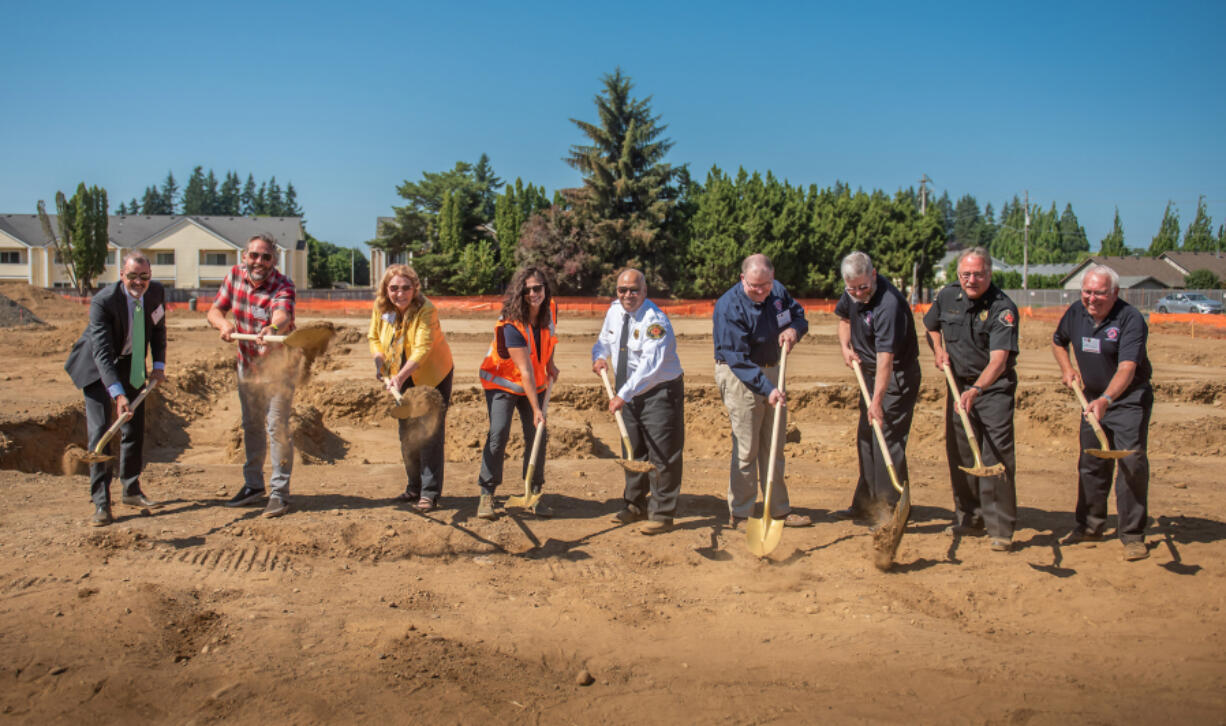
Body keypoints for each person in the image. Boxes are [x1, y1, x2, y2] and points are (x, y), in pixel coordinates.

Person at [1051, 264, 1153, 561]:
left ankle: (1132, 534)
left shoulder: (1130, 319)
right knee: (1091, 463)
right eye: (1086, 292)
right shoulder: (1075, 312)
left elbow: (1127, 367)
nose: (1091, 299)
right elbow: (1059, 342)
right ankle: (1090, 525)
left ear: (1115, 293)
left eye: (1098, 293)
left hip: (1128, 399)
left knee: (1131, 463)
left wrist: (1108, 398)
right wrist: (1067, 368)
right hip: (1091, 398)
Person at [923, 248, 1019, 552]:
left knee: (995, 456)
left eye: (978, 274)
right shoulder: (947, 296)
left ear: (989, 273)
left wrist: (976, 390)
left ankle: (1000, 527)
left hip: (992, 390)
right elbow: (930, 327)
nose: (971, 279)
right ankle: (970, 518)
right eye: (966, 274)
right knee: (962, 453)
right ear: (958, 275)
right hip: (957, 385)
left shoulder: (1002, 308)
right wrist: (938, 350)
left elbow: (999, 361)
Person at [65, 251, 167, 526]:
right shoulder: (104, 301)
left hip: (130, 363)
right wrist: (118, 393)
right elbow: (101, 352)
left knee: (133, 427)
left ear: (150, 277)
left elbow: (158, 331)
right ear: (122, 275)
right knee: (100, 431)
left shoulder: (156, 293)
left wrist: (158, 365)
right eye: (132, 276)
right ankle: (101, 503)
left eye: (143, 276)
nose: (138, 282)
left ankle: (131, 490)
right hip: (97, 366)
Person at [713, 254, 812, 529]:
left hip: (773, 369)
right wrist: (768, 389)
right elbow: (738, 359)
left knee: (775, 443)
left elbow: (799, 317)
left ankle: (778, 509)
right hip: (739, 374)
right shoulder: (729, 307)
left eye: (765, 286)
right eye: (754, 286)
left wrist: (793, 330)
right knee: (747, 447)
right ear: (742, 278)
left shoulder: (777, 291)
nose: (760, 291)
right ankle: (741, 513)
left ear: (772, 278)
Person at [207, 233, 297, 518]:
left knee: (277, 428)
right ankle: (253, 486)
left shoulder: (283, 285)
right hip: (247, 366)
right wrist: (222, 324)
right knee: (252, 426)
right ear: (244, 256)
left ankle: (279, 494)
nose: (259, 261)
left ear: (275, 260)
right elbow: (215, 309)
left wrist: (272, 328)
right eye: (254, 255)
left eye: (266, 256)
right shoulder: (234, 276)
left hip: (279, 368)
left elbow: (282, 314)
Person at [592, 268, 685, 535]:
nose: (627, 295)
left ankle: (662, 513)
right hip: (628, 391)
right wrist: (599, 356)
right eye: (622, 290)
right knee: (632, 450)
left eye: (634, 290)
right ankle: (634, 506)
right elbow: (605, 340)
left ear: (644, 291)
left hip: (659, 392)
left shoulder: (655, 322)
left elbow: (650, 366)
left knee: (663, 453)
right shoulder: (614, 311)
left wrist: (623, 394)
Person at [835, 251, 921, 523]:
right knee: (866, 439)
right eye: (852, 289)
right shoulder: (851, 293)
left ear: (873, 274)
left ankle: (889, 511)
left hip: (895, 377)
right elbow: (845, 319)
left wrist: (877, 401)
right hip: (869, 374)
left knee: (886, 438)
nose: (859, 293)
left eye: (863, 287)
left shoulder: (889, 304)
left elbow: (887, 359)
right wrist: (845, 347)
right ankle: (865, 504)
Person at [368, 264, 455, 512]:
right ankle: (414, 487)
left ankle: (429, 493)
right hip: (398, 372)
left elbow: (423, 349)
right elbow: (374, 338)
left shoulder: (427, 310)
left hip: (431, 374)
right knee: (407, 432)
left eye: (406, 287)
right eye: (394, 288)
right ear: (386, 289)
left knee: (429, 433)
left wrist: (399, 376)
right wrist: (380, 364)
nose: (400, 293)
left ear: (415, 288)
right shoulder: (381, 307)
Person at [475, 267, 560, 519]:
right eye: (528, 290)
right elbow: (524, 370)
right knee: (498, 434)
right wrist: (536, 409)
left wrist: (551, 363)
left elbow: (551, 338)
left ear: (545, 288)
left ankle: (533, 492)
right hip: (504, 383)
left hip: (537, 382)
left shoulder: (551, 309)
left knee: (537, 435)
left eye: (538, 288)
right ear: (519, 293)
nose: (533, 293)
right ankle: (486, 494)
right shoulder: (511, 323)